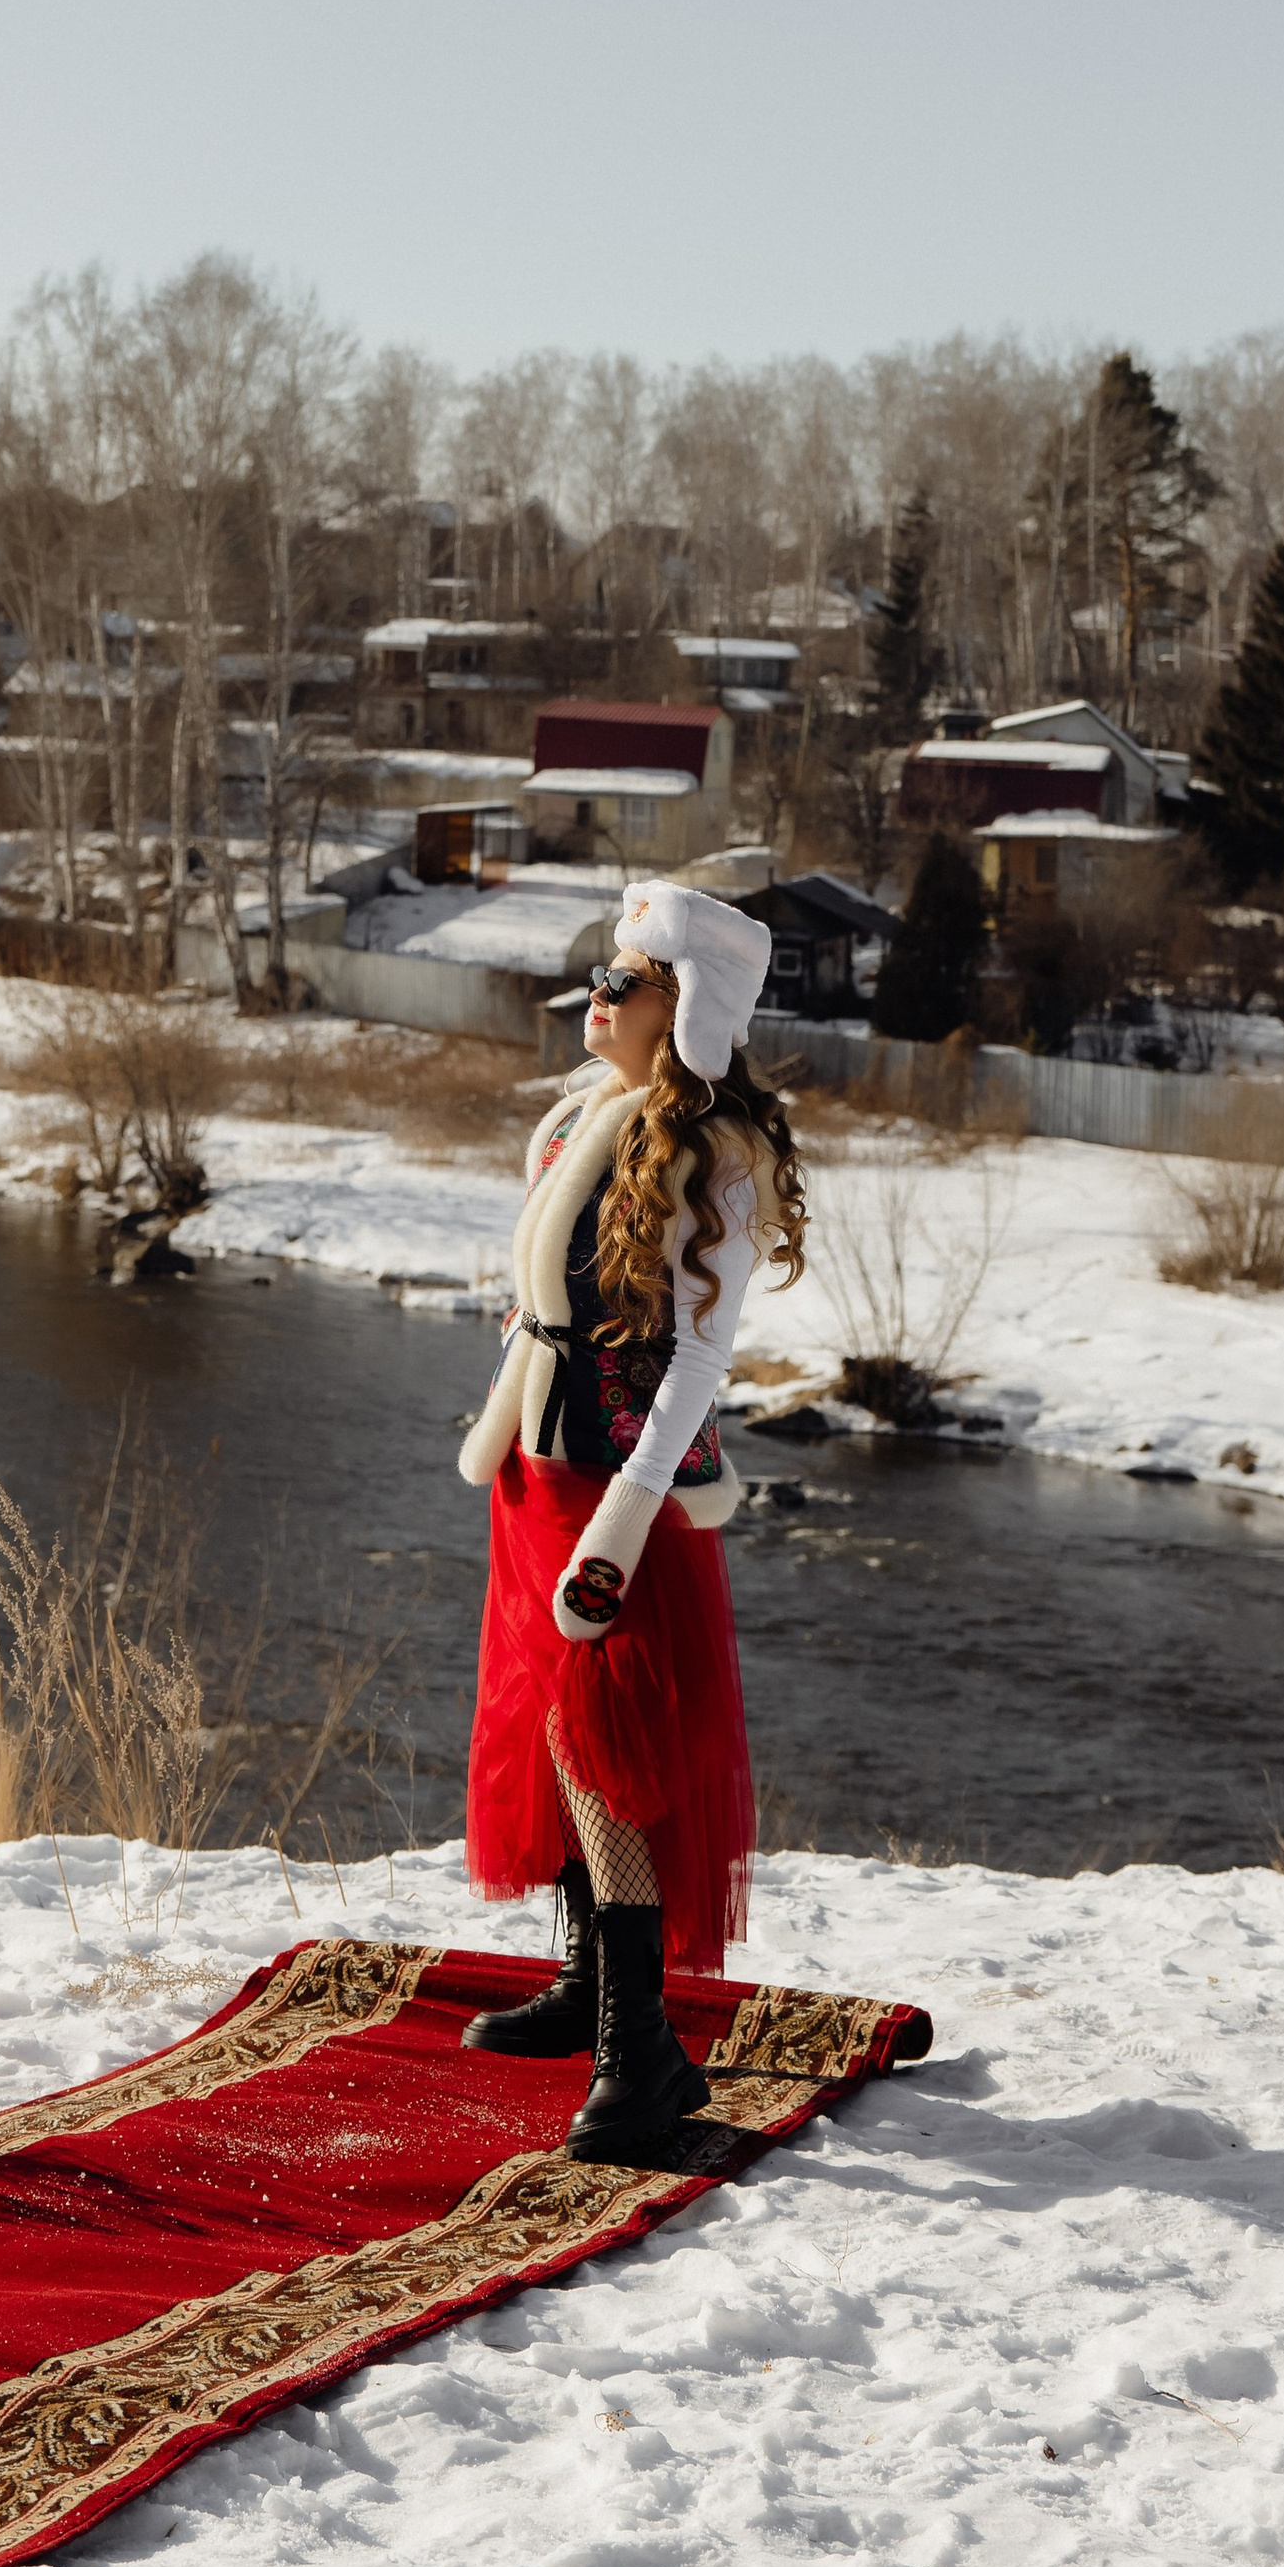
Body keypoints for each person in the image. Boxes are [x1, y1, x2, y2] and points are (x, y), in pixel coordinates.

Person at [457, 877, 808, 2157]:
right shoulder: (588, 1116)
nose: (592, 998)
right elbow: (544, 1293)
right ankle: (592, 1989)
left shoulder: (710, 1154)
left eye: (623, 982)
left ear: (687, 1009)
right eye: (599, 975)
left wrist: (625, 1514)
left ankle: (640, 2050)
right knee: (550, 1723)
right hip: (543, 1461)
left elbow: (700, 1364)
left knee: (606, 1747)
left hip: (621, 1488)